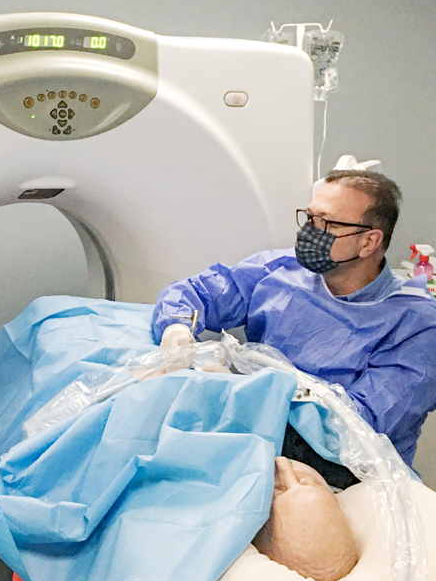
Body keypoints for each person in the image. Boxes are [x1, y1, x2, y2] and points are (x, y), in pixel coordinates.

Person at [152, 164, 436, 468]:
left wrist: (249, 399)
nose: (309, 232)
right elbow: (198, 292)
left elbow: (357, 428)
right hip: (253, 436)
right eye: (310, 217)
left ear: (368, 242)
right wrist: (177, 326)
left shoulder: (416, 326)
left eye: (326, 223)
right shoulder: (281, 269)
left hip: (343, 472)